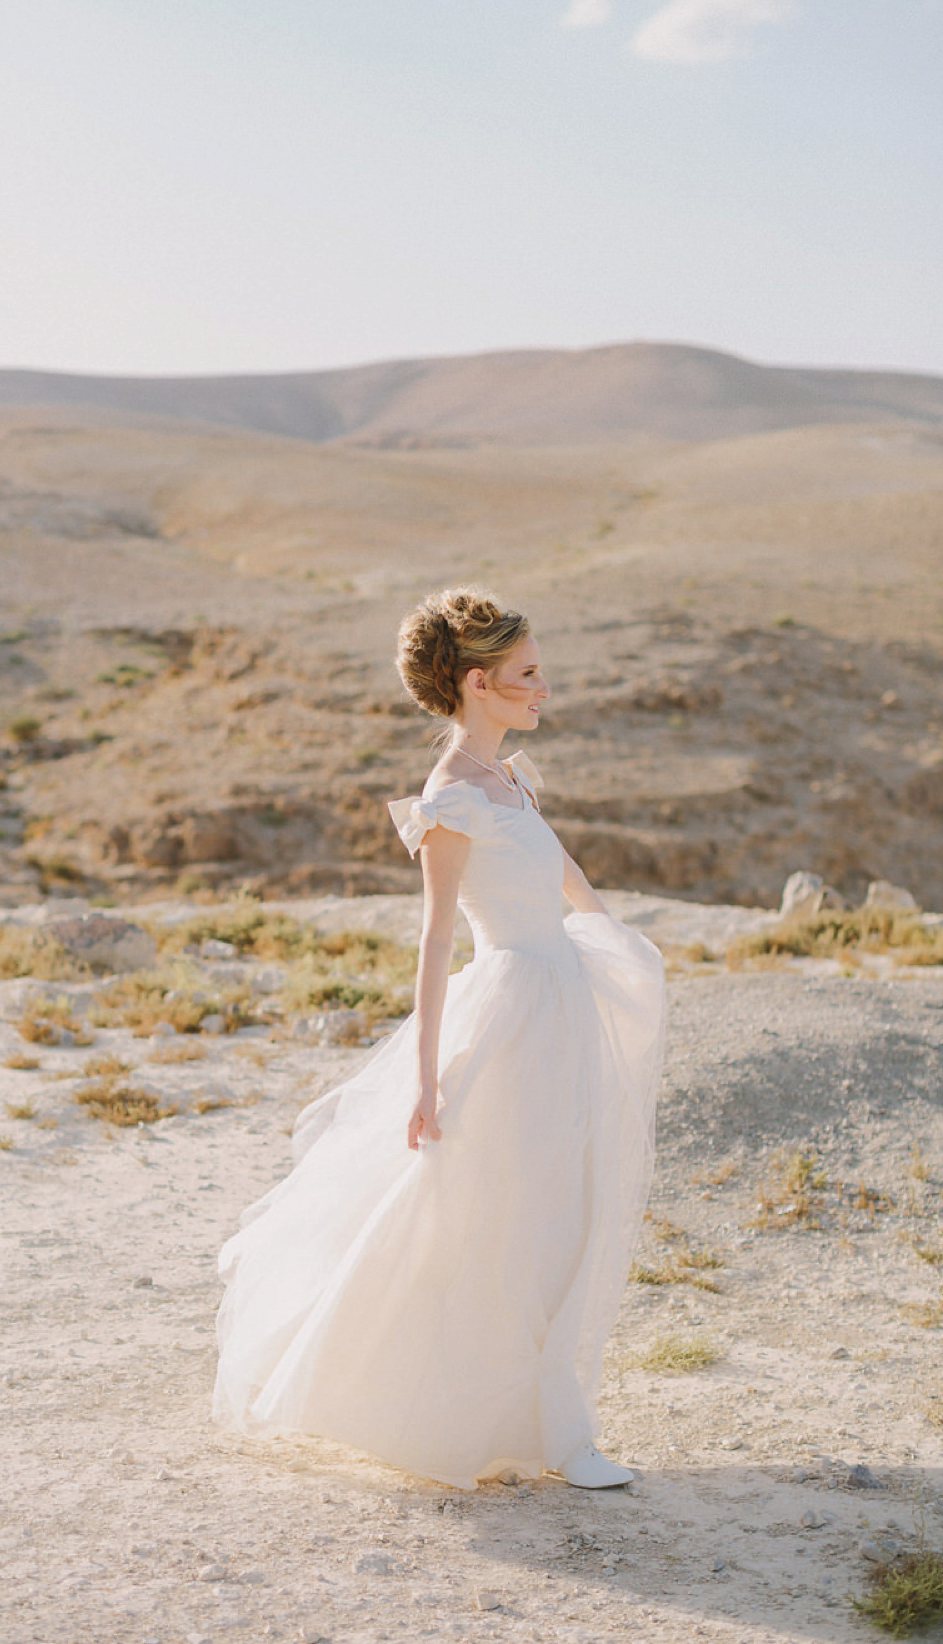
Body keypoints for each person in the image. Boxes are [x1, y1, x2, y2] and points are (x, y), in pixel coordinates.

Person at [212, 587, 666, 1490]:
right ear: (476, 682)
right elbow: (434, 937)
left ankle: (556, 1428)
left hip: (561, 1001)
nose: (544, 688)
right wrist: (425, 1082)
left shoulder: (510, 778)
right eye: (527, 675)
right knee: (496, 1219)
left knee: (559, 1215)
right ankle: (532, 1433)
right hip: (508, 1016)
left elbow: (563, 869)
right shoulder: (450, 797)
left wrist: (615, 942)